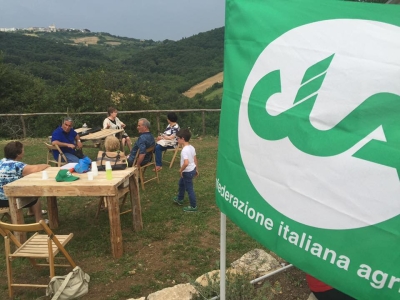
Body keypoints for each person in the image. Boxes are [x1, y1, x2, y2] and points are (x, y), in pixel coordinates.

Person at [0, 141, 49, 222]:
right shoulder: (17, 166)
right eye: (23, 150)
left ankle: (31, 211)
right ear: (18, 154)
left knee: (26, 190)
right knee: (34, 195)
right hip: (9, 199)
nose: (24, 151)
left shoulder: (1, 162)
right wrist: (46, 165)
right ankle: (39, 220)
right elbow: (36, 168)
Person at [173, 129, 199, 212]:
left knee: (189, 189)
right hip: (192, 170)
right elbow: (195, 159)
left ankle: (193, 206)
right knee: (181, 183)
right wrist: (196, 169)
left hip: (187, 172)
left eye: (178, 138)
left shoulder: (184, 150)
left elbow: (186, 163)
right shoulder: (191, 147)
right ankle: (180, 199)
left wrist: (181, 170)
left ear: (182, 138)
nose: (177, 140)